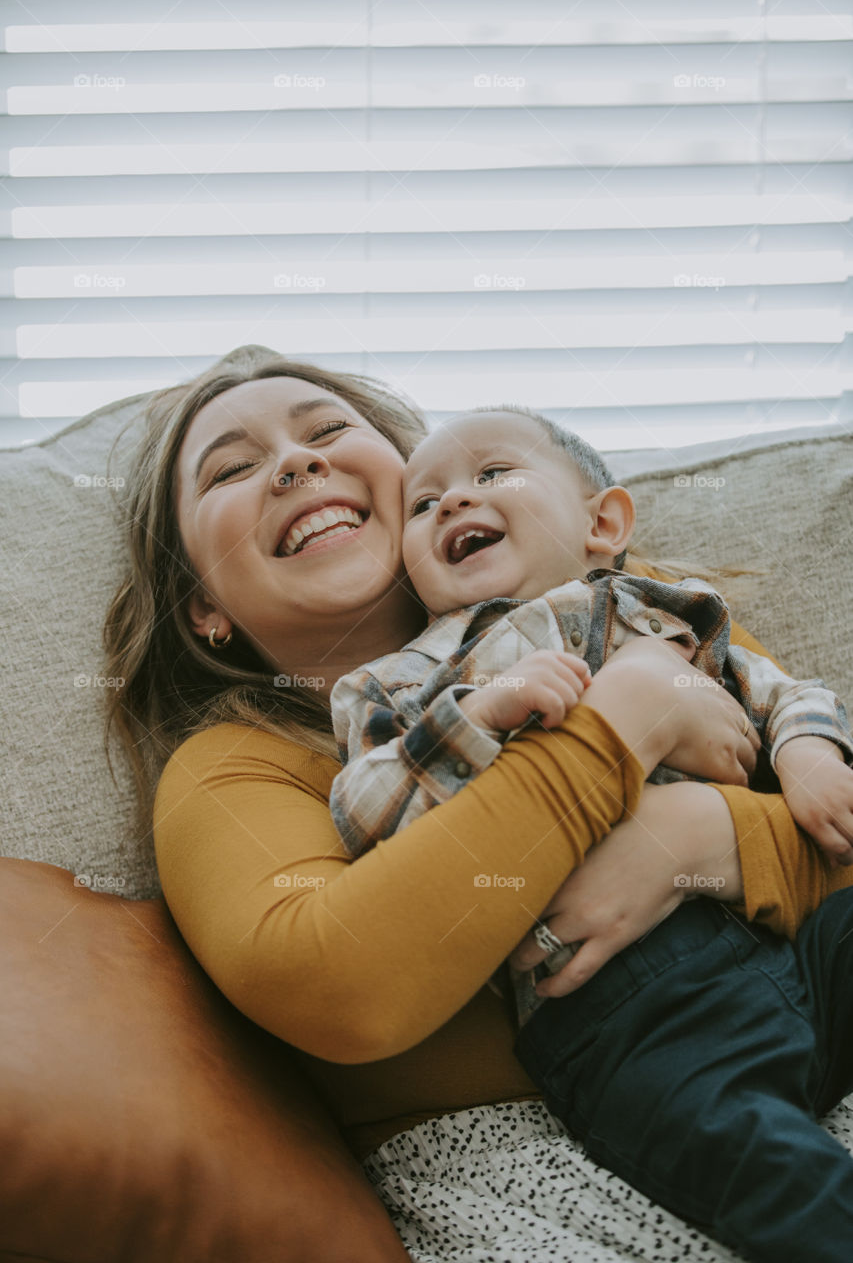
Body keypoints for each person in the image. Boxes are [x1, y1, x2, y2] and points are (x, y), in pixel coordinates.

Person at [103, 352, 853, 1263]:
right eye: (232, 469)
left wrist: (703, 838)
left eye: (328, 431)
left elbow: (825, 792)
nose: (296, 462)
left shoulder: (624, 607)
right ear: (202, 607)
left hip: (810, 1012)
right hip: (555, 1175)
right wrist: (621, 722)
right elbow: (341, 986)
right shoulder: (234, 768)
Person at [325, 405, 853, 1261]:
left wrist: (808, 759)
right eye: (421, 505)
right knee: (765, 1172)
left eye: (492, 474)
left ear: (602, 524)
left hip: (789, 940)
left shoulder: (669, 613)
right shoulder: (396, 682)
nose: (453, 501)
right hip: (630, 1012)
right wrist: (478, 715)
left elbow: (784, 694)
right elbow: (364, 811)